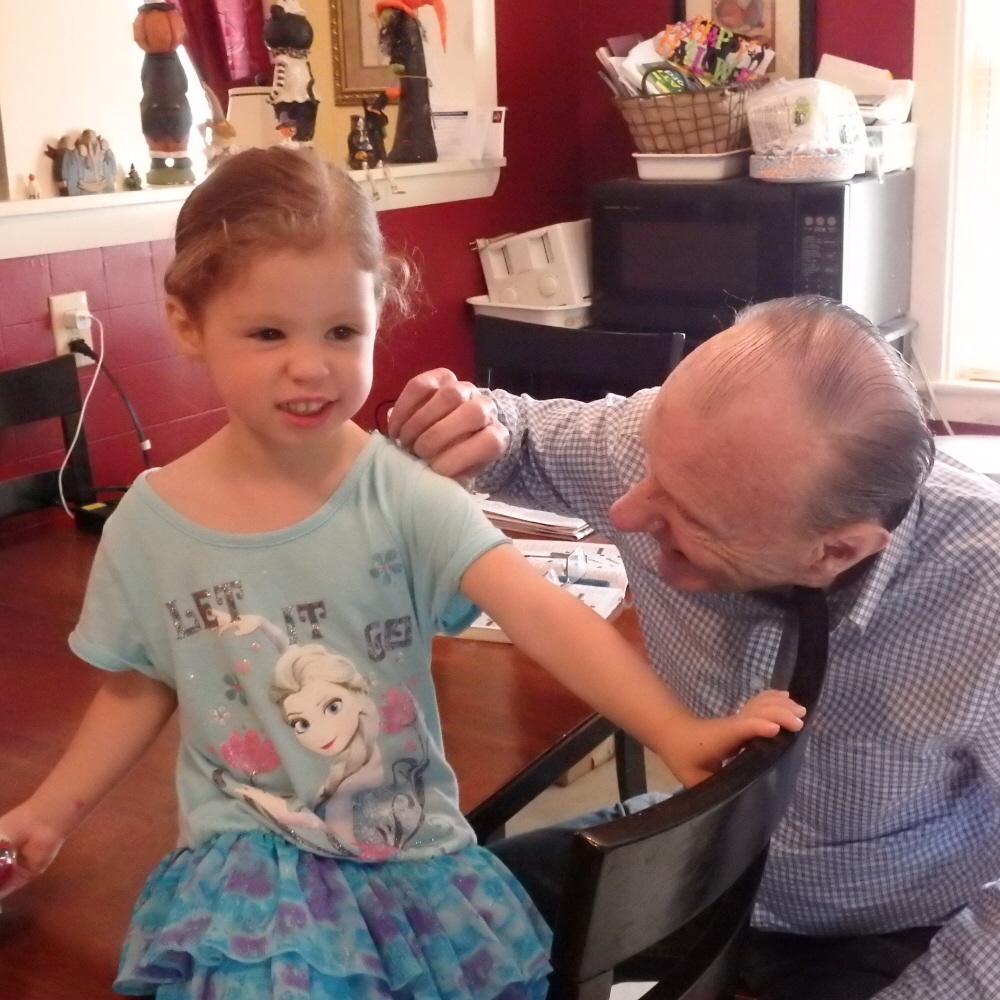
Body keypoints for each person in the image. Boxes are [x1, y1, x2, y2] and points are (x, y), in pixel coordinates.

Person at [0, 147, 805, 1000]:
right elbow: (142, 684)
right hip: (246, 872)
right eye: (268, 332)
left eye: (340, 332)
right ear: (188, 323)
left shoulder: (405, 496)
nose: (310, 365)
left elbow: (541, 612)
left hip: (408, 861)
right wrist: (50, 812)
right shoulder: (149, 525)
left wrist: (675, 731)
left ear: (377, 315)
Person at [387, 296, 1000, 1000]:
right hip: (697, 849)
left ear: (836, 551)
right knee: (409, 928)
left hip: (876, 924)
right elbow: (519, 433)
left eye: (690, 518)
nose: (625, 513)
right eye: (650, 468)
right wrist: (472, 421)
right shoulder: (670, 444)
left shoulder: (985, 587)